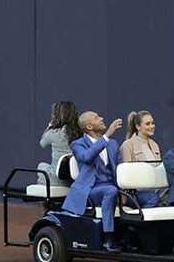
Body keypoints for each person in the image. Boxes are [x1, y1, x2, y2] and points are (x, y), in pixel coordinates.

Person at [62, 111, 123, 252]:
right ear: (89, 127)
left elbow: (120, 167)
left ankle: (134, 238)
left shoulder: (112, 144)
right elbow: (87, 157)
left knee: (149, 198)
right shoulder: (78, 144)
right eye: (96, 117)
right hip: (91, 190)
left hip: (113, 187)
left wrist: (125, 190)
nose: (101, 118)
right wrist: (106, 136)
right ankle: (108, 239)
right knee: (111, 191)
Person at [119, 110, 161, 208]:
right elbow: (127, 176)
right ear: (138, 127)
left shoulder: (155, 145)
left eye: (153, 123)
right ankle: (137, 223)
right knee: (153, 198)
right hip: (134, 193)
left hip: (155, 189)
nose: (152, 126)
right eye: (147, 124)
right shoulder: (127, 145)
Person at [36, 101, 81, 186]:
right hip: (75, 179)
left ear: (56, 116)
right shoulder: (81, 133)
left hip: (58, 179)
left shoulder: (54, 133)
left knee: (41, 166)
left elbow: (42, 144)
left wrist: (50, 125)